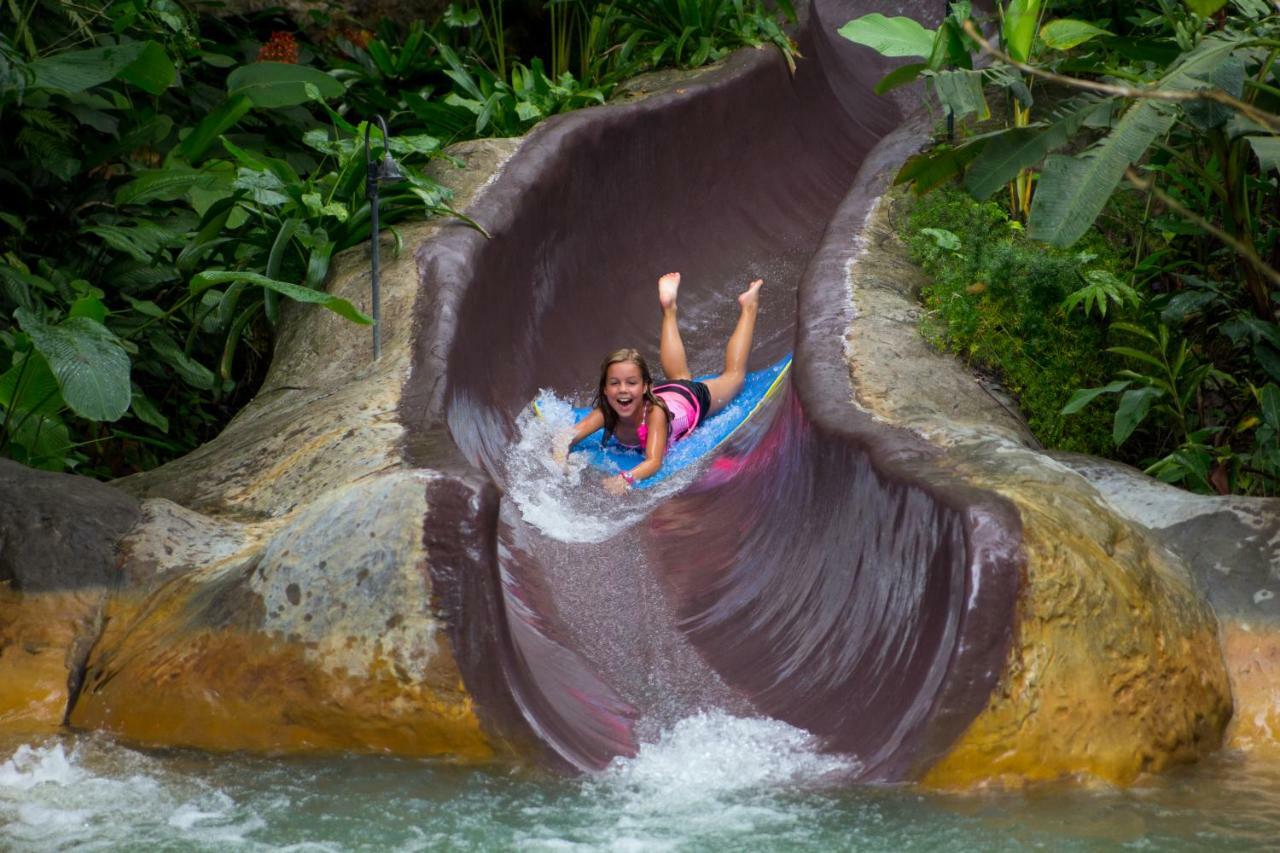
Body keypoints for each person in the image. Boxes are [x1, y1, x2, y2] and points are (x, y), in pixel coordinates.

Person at [554, 271, 763, 494]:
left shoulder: (655, 414)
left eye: (630, 383)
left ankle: (749, 307)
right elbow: (570, 434)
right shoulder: (607, 410)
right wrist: (559, 456)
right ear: (605, 390)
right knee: (680, 377)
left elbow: (654, 461)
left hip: (690, 400)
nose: (622, 389)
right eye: (615, 383)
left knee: (733, 377)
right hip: (668, 393)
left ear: (645, 387)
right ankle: (669, 308)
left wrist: (626, 478)